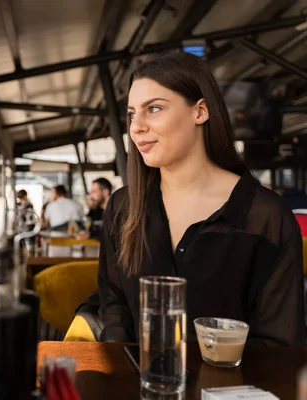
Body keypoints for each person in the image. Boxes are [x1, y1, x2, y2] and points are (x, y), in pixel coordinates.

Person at [97, 52, 304, 345]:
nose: (136, 127)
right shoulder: (123, 208)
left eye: (153, 108)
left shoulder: (266, 216)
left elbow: (279, 342)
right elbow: (115, 305)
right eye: (131, 114)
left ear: (200, 111)